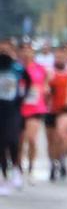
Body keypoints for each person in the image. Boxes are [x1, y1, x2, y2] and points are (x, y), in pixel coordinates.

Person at [0, 41, 28, 193]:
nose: (3, 52)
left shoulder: (17, 68)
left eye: (6, 50)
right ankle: (4, 177)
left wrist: (21, 98)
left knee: (13, 142)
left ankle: (17, 169)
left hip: (13, 111)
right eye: (1, 50)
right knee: (1, 144)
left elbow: (28, 80)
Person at [45, 45, 67, 181]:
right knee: (51, 140)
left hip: (65, 110)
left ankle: (61, 159)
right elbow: (43, 89)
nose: (59, 59)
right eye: (57, 57)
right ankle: (53, 165)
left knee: (61, 135)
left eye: (62, 57)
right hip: (50, 109)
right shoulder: (49, 72)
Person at [20, 46, 49, 183]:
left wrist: (46, 90)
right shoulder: (16, 68)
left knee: (31, 139)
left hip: (35, 108)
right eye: (24, 51)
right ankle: (18, 168)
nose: (26, 53)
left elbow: (46, 85)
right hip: (19, 108)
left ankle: (31, 168)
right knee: (19, 142)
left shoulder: (40, 69)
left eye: (29, 51)